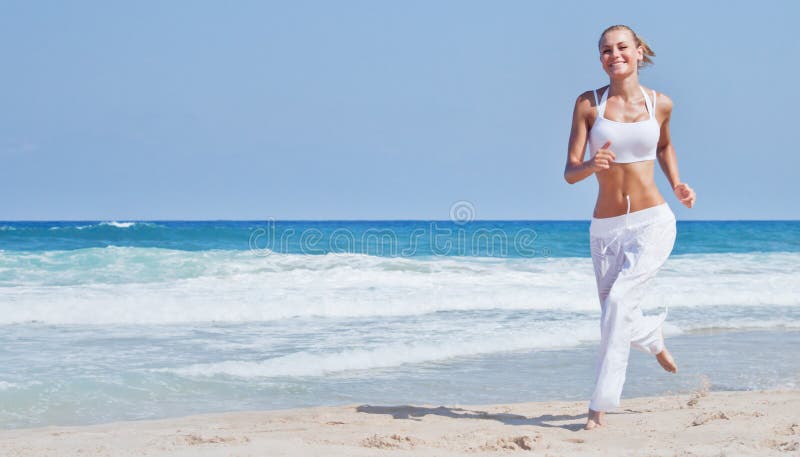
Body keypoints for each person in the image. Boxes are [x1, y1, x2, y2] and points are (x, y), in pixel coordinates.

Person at [563, 24, 697, 430]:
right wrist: (591, 165)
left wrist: (676, 183)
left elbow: (663, 146)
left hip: (652, 221)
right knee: (614, 314)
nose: (614, 54)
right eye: (606, 50)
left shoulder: (661, 104)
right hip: (605, 230)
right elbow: (569, 171)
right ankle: (653, 338)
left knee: (619, 306)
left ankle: (597, 409)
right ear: (600, 58)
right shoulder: (588, 104)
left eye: (623, 47)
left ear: (639, 52)